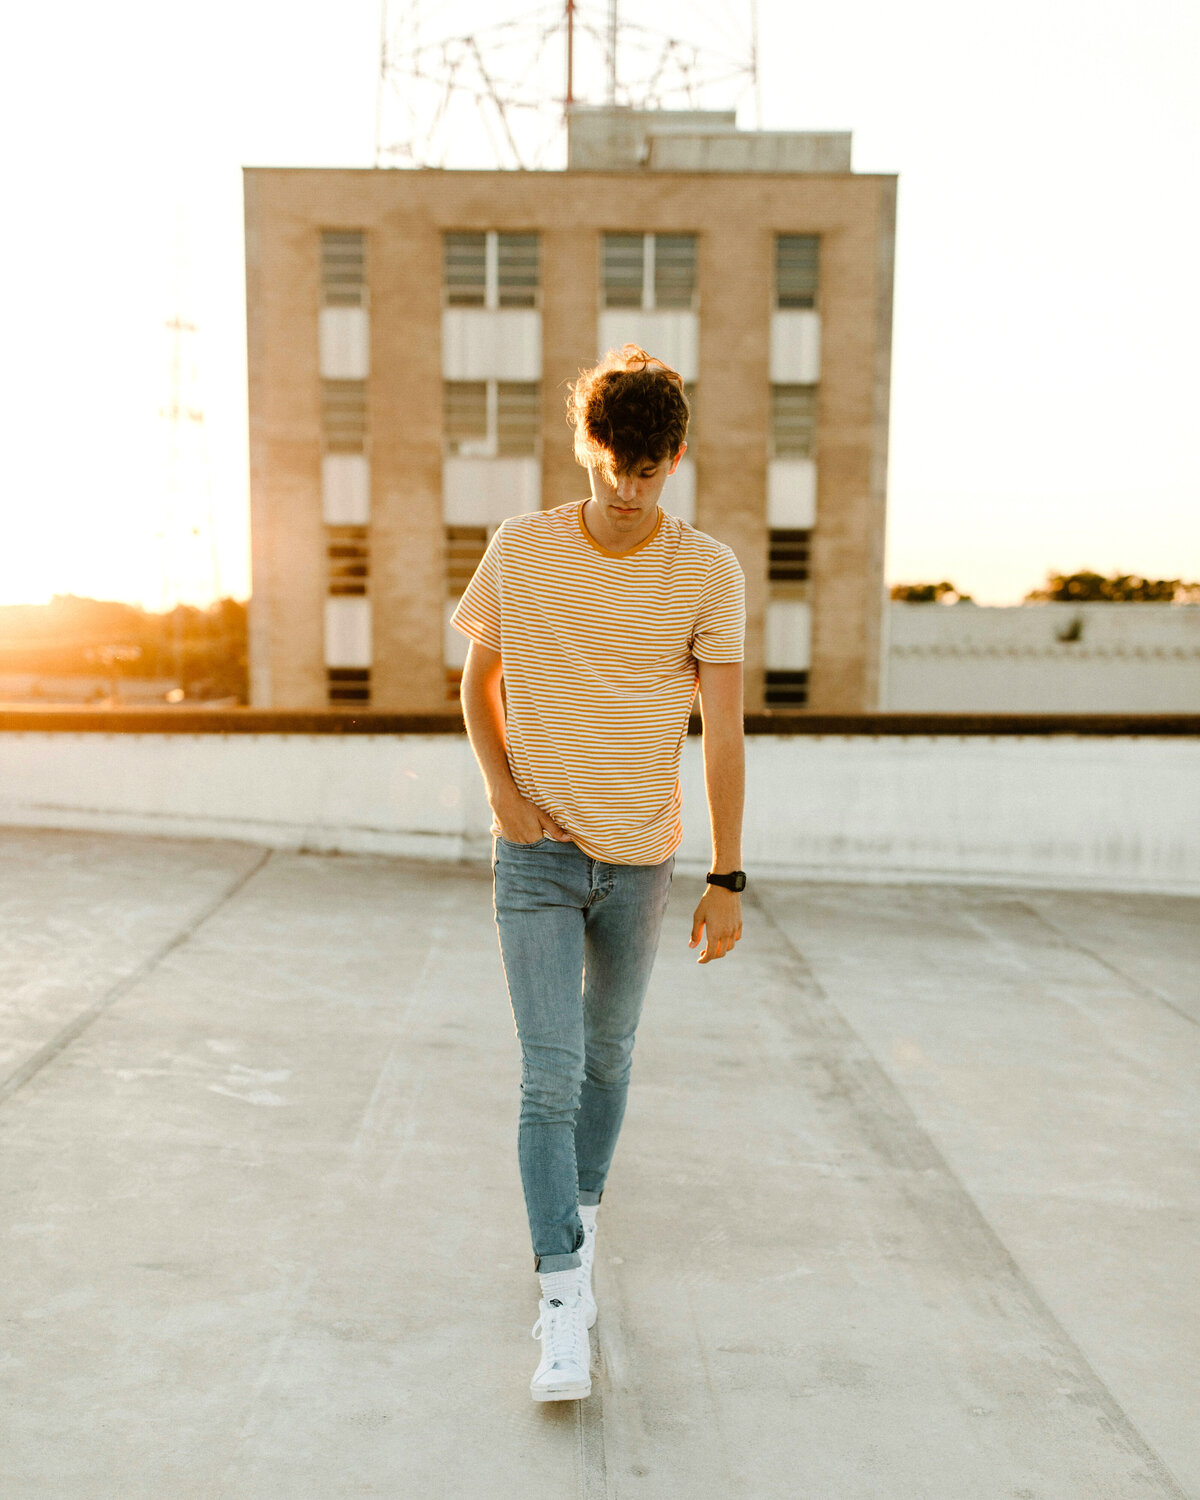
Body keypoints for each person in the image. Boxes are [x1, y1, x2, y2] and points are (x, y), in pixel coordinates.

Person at [452, 344, 747, 1403]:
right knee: (549, 1070)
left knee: (609, 1057)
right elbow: (476, 685)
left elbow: (722, 734)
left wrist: (730, 874)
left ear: (674, 459)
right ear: (588, 447)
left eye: (651, 469)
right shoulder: (522, 550)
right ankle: (563, 1292)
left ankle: (580, 1211)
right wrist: (502, 795)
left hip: (642, 860)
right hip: (533, 856)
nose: (629, 489)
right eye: (615, 465)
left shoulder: (707, 571)